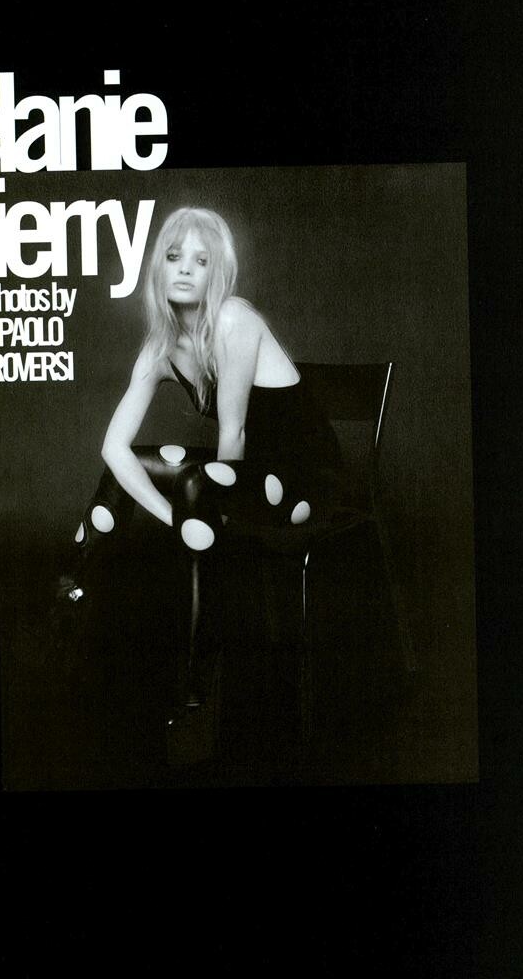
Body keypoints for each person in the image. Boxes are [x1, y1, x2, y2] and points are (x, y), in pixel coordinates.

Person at [56, 206, 343, 722]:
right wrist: (178, 520)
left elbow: (233, 433)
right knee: (135, 469)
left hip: (309, 481)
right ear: (158, 268)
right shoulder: (161, 347)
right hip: (253, 475)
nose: (186, 268)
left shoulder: (233, 320)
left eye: (201, 260)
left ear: (217, 274)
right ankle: (70, 592)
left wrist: (213, 514)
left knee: (197, 485)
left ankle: (195, 690)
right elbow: (114, 447)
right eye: (174, 256)